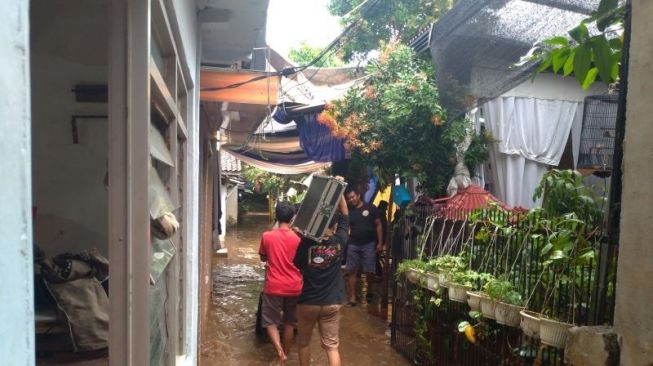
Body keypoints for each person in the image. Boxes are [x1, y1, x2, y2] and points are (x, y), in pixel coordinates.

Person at [293, 192, 349, 366]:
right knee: (332, 347)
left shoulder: (307, 243)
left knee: (303, 343)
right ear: (335, 225)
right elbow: (345, 215)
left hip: (309, 301)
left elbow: (297, 263)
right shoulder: (340, 240)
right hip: (332, 302)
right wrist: (339, 192)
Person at [258, 201, 302, 363]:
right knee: (290, 321)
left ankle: (279, 352)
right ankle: (287, 352)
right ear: (292, 218)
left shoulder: (267, 236)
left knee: (270, 321)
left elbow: (263, 257)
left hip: (274, 286)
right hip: (295, 286)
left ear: (276, 216)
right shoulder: (298, 238)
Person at [344, 187, 383, 306]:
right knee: (351, 271)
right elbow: (347, 228)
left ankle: (370, 290)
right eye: (349, 198)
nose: (351, 200)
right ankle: (352, 297)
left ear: (358, 195)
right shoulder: (349, 212)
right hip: (353, 244)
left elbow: (378, 225)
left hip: (369, 244)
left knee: (370, 271)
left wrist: (380, 243)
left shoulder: (370, 208)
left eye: (352, 197)